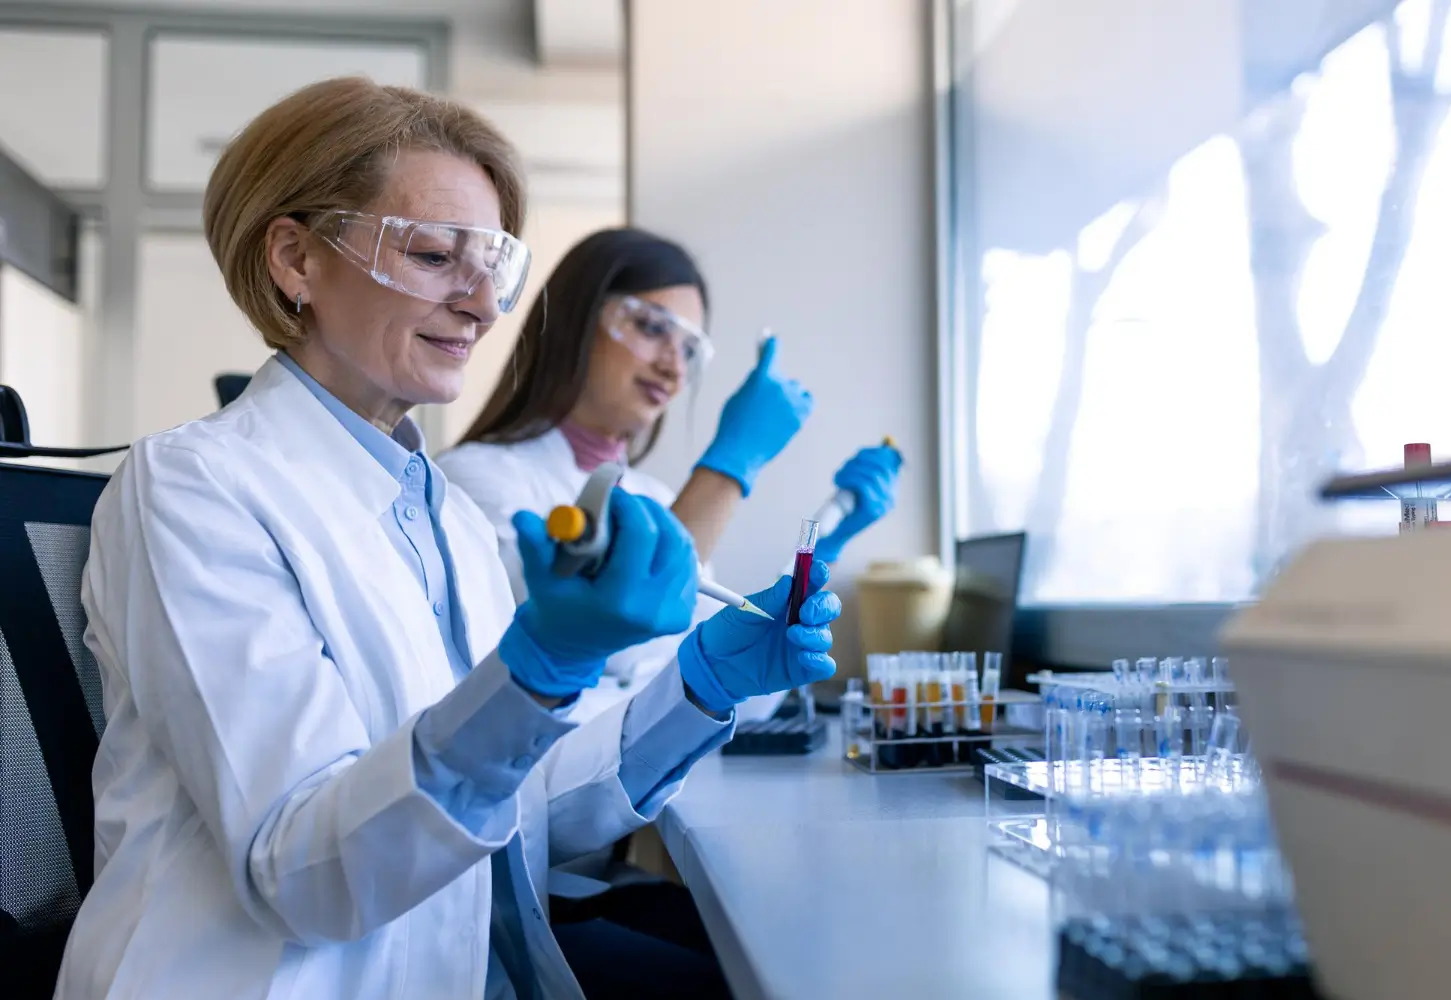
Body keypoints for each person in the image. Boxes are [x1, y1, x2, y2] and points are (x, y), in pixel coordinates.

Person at [53, 77, 842, 1000]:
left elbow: (524, 811)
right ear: (295, 260)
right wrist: (537, 672)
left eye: (491, 266)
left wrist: (700, 690)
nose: (482, 305)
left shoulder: (448, 520)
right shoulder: (195, 490)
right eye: (432, 255)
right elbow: (305, 872)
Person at [438, 228, 902, 714]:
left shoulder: (655, 499)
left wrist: (818, 550)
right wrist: (731, 465)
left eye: (688, 349)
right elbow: (617, 629)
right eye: (653, 327)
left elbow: (735, 688)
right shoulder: (473, 480)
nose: (674, 368)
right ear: (574, 320)